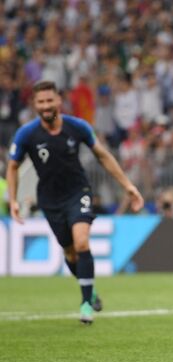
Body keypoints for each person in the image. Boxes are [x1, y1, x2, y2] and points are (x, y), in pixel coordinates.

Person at [6, 80, 144, 324]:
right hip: (49, 199)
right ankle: (90, 292)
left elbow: (103, 155)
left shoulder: (77, 127)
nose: (46, 106)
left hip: (77, 192)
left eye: (50, 100)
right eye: (41, 102)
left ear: (59, 101)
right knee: (70, 253)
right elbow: (13, 166)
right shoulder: (27, 134)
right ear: (35, 105)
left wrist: (128, 186)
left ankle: (85, 305)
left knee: (81, 243)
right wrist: (13, 199)